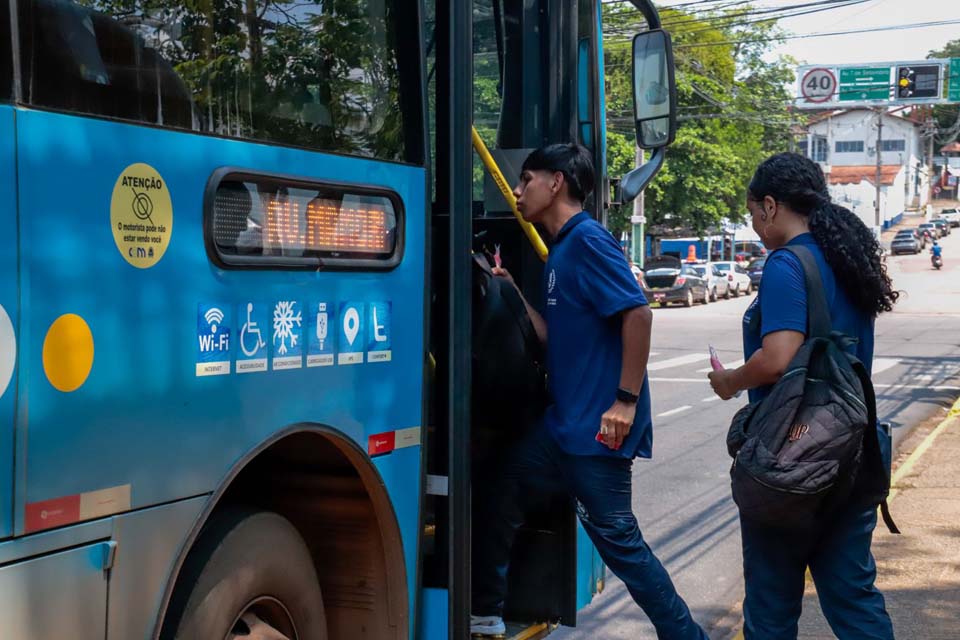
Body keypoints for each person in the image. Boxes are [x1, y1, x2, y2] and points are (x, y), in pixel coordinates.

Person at [470, 143, 707, 639]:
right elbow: (553, 337)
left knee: (621, 546)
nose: (516, 190)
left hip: (598, 431)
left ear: (556, 182)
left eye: (526, 179)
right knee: (501, 488)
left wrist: (625, 401)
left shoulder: (588, 241)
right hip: (562, 429)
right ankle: (486, 613)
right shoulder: (561, 251)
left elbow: (637, 313)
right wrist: (511, 290)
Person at [708, 153, 898, 639]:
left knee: (771, 605)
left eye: (753, 213)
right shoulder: (847, 257)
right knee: (853, 596)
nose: (754, 225)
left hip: (791, 459)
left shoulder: (786, 264)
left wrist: (730, 380)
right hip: (855, 453)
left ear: (770, 206)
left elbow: (778, 357)